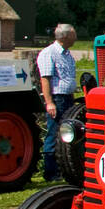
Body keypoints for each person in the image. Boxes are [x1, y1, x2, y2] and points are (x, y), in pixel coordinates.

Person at [37, 23, 78, 181]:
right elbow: (45, 79)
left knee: (66, 135)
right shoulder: (49, 53)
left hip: (68, 97)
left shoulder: (67, 54)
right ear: (66, 36)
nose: (76, 37)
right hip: (57, 98)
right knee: (53, 133)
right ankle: (50, 171)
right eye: (73, 34)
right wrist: (50, 102)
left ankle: (63, 169)